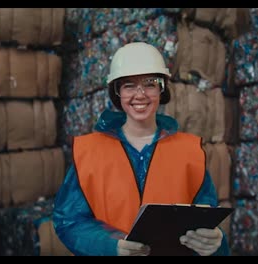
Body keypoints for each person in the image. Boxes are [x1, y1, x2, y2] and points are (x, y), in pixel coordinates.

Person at [53, 42, 230, 256]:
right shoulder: (89, 152)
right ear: (116, 92)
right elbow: (69, 221)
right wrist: (112, 246)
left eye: (150, 84)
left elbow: (205, 218)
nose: (140, 95)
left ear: (161, 89)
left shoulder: (189, 152)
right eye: (128, 85)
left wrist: (215, 242)